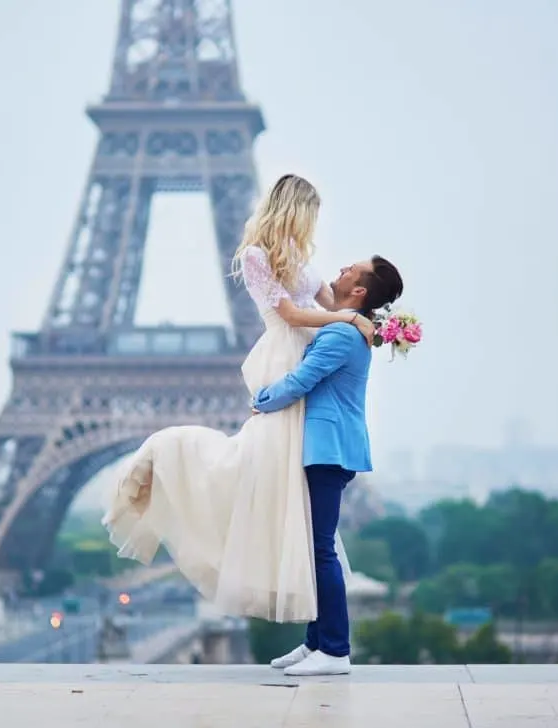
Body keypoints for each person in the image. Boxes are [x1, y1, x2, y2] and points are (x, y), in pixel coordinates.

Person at [102, 174, 373, 623]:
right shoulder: (256, 255)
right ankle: (168, 457)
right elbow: (288, 312)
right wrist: (347, 319)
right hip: (285, 350)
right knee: (265, 460)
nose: (314, 225)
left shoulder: (302, 258)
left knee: (288, 481)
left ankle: (317, 637)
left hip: (308, 347)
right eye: (311, 214)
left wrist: (373, 320)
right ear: (295, 209)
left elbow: (329, 305)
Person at [254, 255, 404, 676]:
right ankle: (316, 642)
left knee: (320, 550)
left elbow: (302, 380)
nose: (340, 269)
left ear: (359, 291)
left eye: (349, 270)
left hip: (327, 449)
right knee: (317, 547)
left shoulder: (340, 333)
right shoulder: (345, 326)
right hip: (328, 447)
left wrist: (260, 401)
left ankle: (335, 650)